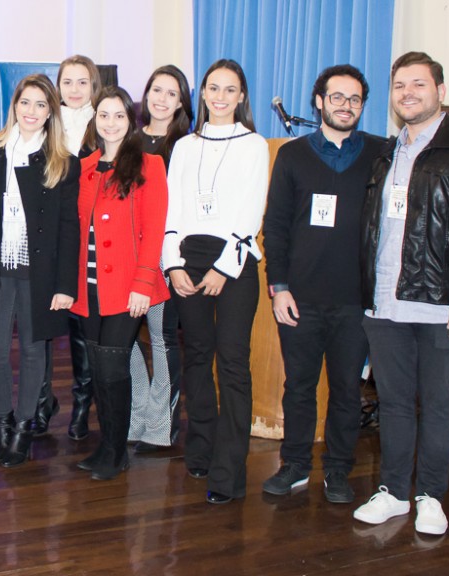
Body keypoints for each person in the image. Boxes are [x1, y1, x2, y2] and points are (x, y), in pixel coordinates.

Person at [353, 52, 449, 536]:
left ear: (441, 91)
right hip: (385, 302)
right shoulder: (386, 152)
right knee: (395, 403)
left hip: (445, 305)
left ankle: (431, 496)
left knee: (439, 405)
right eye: (400, 85)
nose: (408, 93)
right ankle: (394, 491)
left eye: (418, 84)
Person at [261, 65, 385, 504]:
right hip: (300, 297)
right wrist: (279, 287)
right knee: (299, 387)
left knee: (347, 391)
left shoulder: (380, 154)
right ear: (319, 101)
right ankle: (295, 465)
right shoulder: (293, 155)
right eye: (337, 97)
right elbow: (275, 226)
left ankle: (337, 469)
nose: (346, 106)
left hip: (356, 300)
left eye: (354, 99)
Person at [162, 59, 268, 504]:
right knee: (197, 358)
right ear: (202, 94)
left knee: (232, 364)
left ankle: (228, 471)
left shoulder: (254, 145)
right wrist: (173, 264)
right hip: (188, 259)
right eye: (213, 88)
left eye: (230, 89)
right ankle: (201, 450)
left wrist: (224, 268)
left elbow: (251, 212)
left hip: (234, 264)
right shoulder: (185, 145)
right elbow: (172, 208)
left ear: (241, 97)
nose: (220, 97)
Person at [0, 74, 80, 468]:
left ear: (51, 111)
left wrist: (65, 285)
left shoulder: (61, 162)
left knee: (35, 352)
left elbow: (69, 229)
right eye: (25, 102)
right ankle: (2, 424)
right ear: (14, 105)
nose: (32, 111)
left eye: (41, 104)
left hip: (39, 273)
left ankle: (22, 429)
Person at [70, 86, 169, 480]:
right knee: (97, 366)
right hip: (89, 286)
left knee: (113, 367)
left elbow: (154, 230)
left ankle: (117, 450)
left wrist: (143, 284)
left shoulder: (149, 165)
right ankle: (107, 445)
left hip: (129, 288)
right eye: (104, 115)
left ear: (131, 121)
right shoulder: (84, 167)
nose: (110, 123)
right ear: (95, 120)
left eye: (119, 116)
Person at [128, 64, 193, 454]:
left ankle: (160, 425)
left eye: (172, 93)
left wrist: (171, 258)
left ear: (182, 102)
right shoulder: (128, 138)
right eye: (157, 90)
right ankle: (137, 413)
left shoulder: (187, 145)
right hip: (125, 257)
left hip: (164, 256)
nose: (162, 99)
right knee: (124, 340)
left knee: (162, 339)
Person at [38, 54, 102, 439]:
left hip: (91, 235)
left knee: (81, 325)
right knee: (41, 321)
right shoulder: (46, 121)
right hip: (50, 234)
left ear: (93, 85)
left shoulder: (105, 122)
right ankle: (42, 400)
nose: (74, 90)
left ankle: (82, 403)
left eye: (82, 82)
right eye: (67, 82)